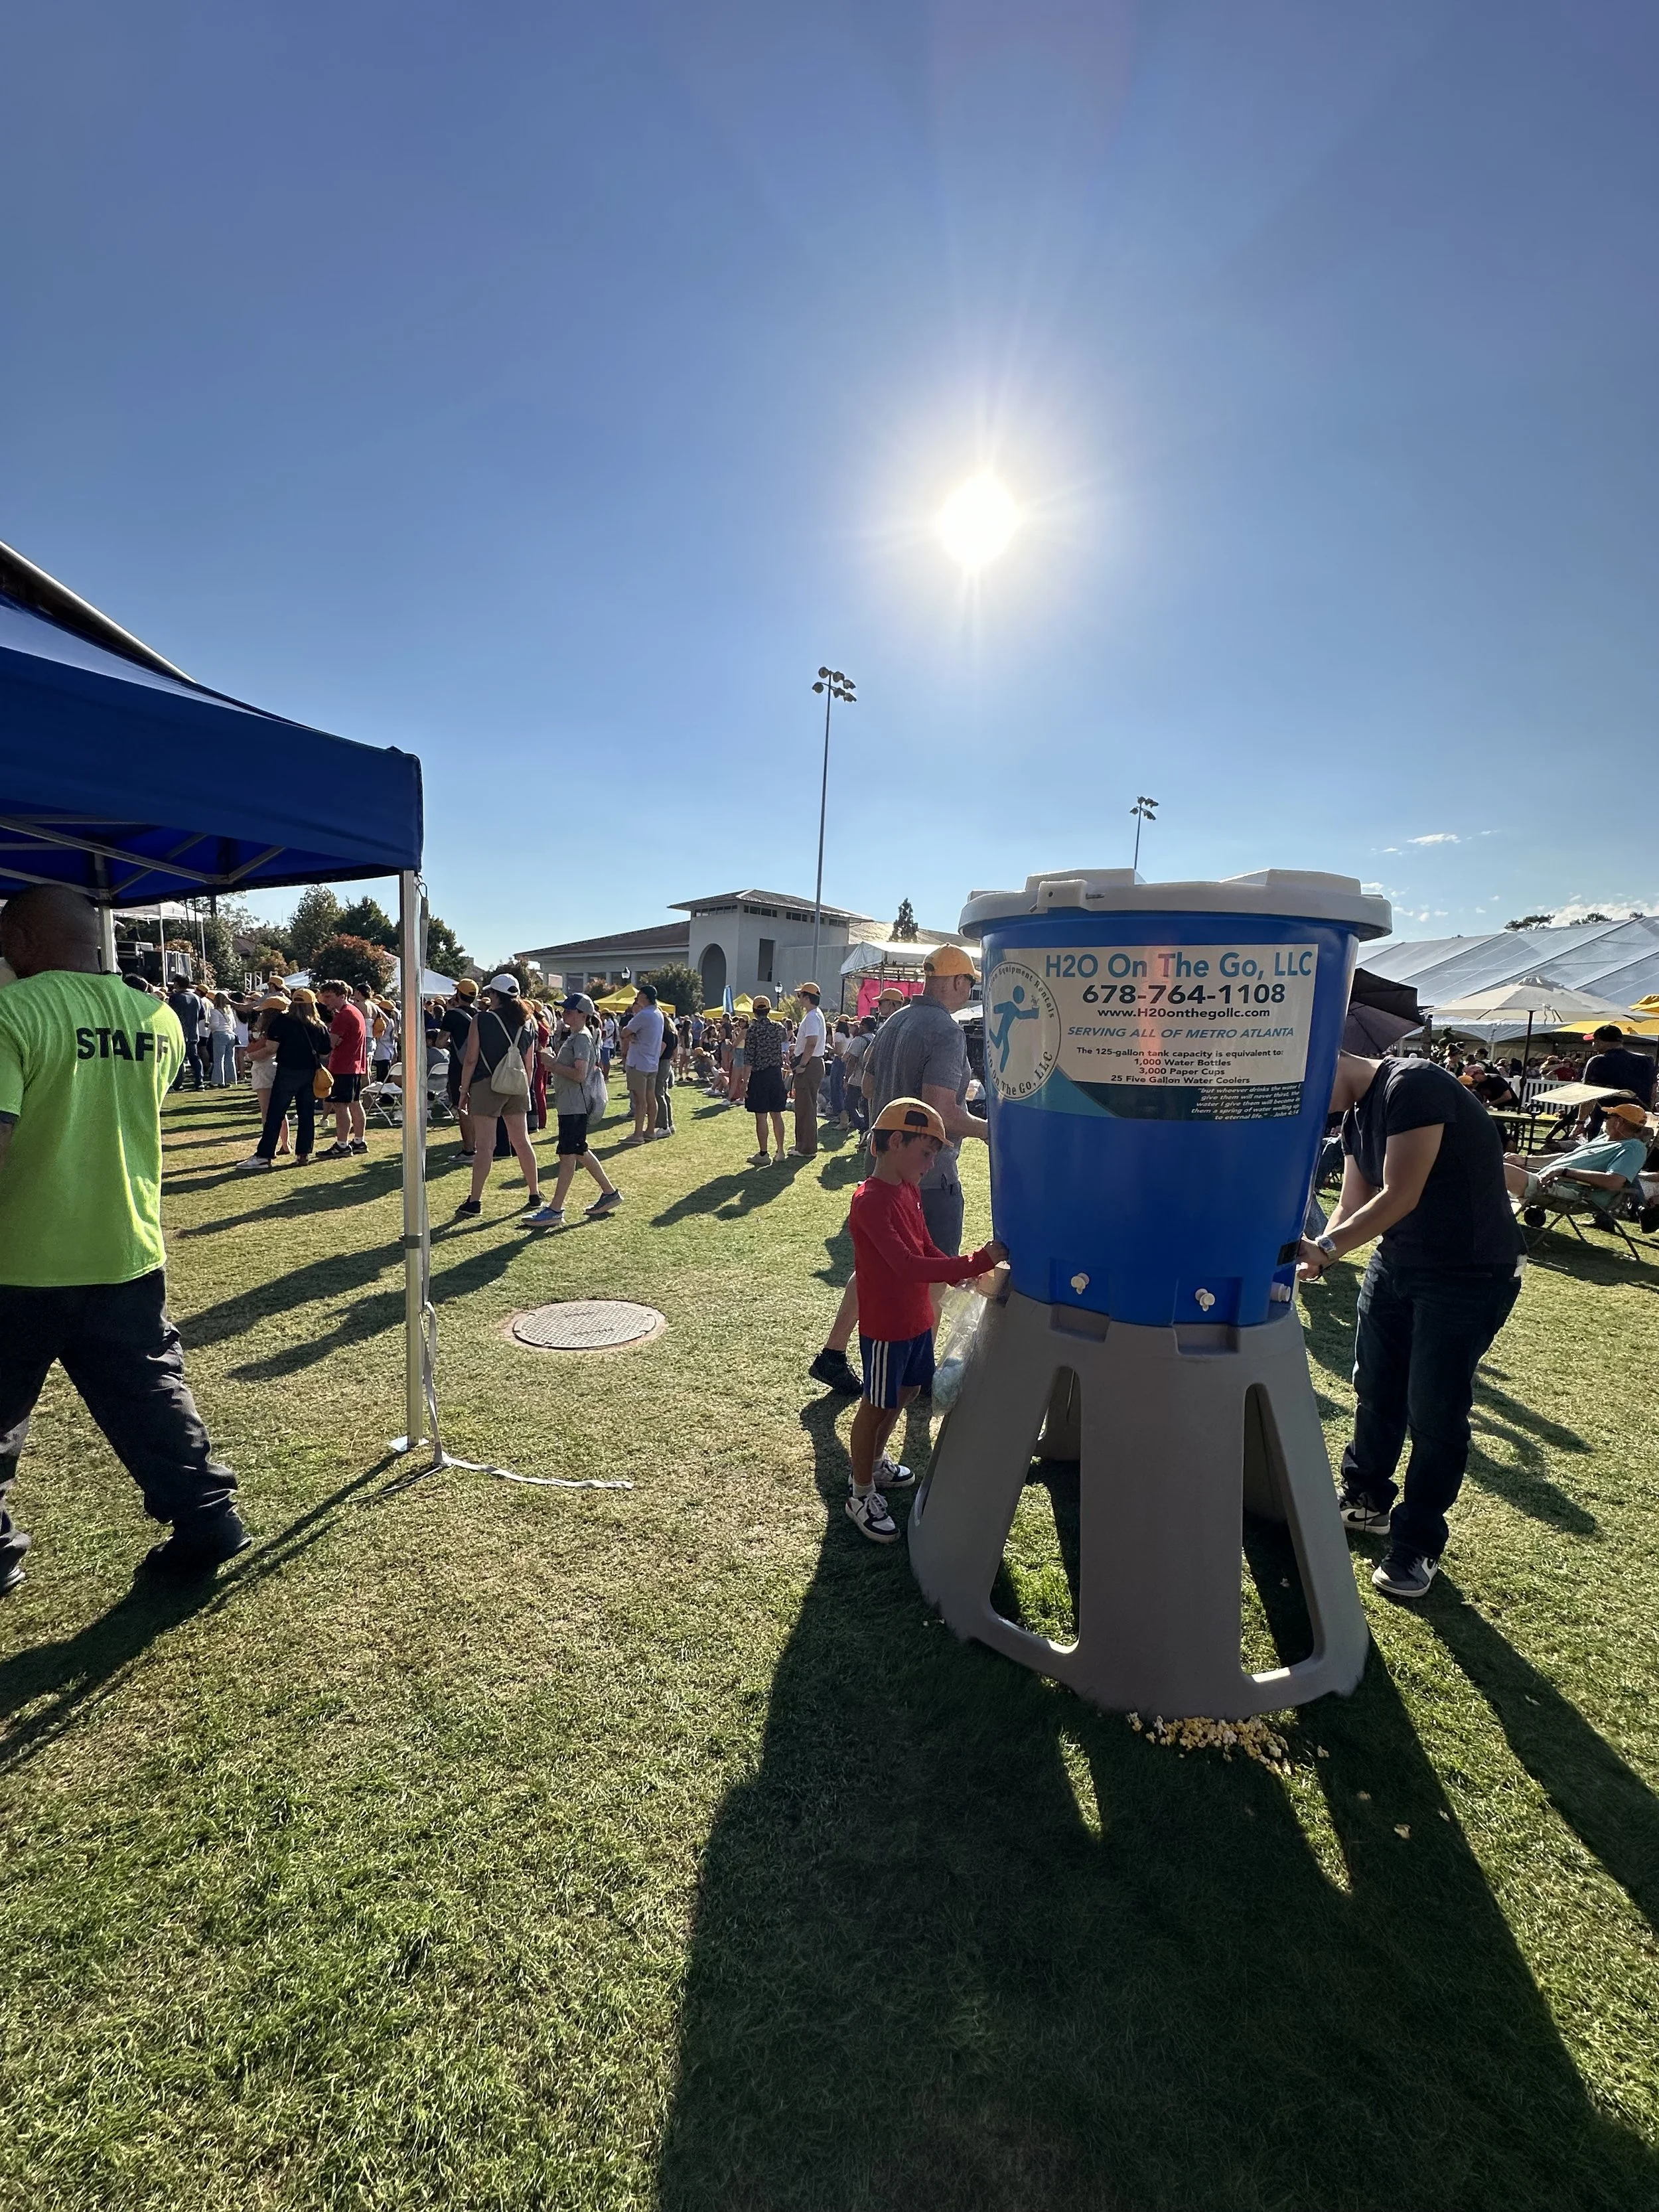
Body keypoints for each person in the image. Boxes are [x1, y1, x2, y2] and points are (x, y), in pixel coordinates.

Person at [0, 885, 249, 1592]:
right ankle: (208, 1517)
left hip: (22, 1255)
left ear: (20, 938)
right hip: (125, 1244)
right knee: (148, 1390)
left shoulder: (10, 1013)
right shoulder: (158, 1017)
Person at [1295, 1050, 1524, 1601]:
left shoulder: (1413, 1084)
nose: (1308, 1109)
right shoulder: (1354, 1115)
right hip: (1398, 1264)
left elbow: (1400, 1193)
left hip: (1469, 1270)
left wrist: (1325, 1248)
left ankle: (1417, 1542)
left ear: (1327, 1060)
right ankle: (1366, 1497)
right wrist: (1316, 1255)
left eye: (1305, 1092)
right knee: (1375, 1385)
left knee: (1435, 1408)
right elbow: (1352, 1201)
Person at [810, 947, 982, 1394]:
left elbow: (866, 1086)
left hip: (882, 1164)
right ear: (959, 982)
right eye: (970, 982)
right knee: (935, 1272)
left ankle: (834, 1350)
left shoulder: (893, 1021)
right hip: (928, 1174)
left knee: (871, 1267)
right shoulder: (945, 1030)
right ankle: (915, 1375)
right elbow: (942, 1111)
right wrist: (991, 1129)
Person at [843, 1098, 1005, 1542]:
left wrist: (959, 1271)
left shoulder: (908, 1189)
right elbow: (908, 1264)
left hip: (916, 1321)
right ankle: (860, 1491)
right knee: (876, 1406)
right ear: (896, 1141)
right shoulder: (870, 1201)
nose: (932, 1165)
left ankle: (874, 1464)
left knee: (909, 1390)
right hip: (886, 1328)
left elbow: (927, 1247)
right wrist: (972, 1262)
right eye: (926, 1153)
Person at [526, 995, 623, 1227]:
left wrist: (551, 1064)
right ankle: (609, 1193)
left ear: (583, 1014)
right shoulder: (578, 1037)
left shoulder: (581, 1039)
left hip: (575, 1106)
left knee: (569, 1155)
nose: (565, 1013)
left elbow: (579, 1075)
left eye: (570, 1011)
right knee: (577, 1152)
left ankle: (555, 1209)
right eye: (565, 1010)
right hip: (571, 1105)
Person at [455, 976, 543, 1217]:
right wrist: (526, 1087)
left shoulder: (481, 1020)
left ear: (495, 995)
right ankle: (535, 1193)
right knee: (522, 1141)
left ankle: (475, 1201)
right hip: (517, 1084)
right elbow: (530, 1062)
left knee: (485, 1147)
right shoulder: (529, 1022)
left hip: (486, 1084)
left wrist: (463, 1091)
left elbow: (471, 1059)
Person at [239, 987, 330, 1169]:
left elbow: (272, 1048)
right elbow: (325, 1053)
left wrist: (251, 1057)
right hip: (309, 1072)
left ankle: (264, 1155)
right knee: (306, 1115)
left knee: (275, 1114)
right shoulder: (319, 1026)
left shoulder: (282, 1021)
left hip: (287, 1071)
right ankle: (303, 1154)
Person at [1504, 1100, 1651, 1213]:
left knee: (1502, 1171)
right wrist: (1524, 1160)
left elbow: (1613, 1182)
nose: (1605, 1120)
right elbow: (1568, 1158)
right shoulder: (1604, 1138)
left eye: (1609, 1116)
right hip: (1550, 1181)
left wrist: (1564, 1171)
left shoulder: (1633, 1148)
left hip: (1575, 1194)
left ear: (1620, 1122)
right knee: (1495, 1163)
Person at [315, 981, 370, 1159]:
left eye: (329, 997)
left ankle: (342, 1145)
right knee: (355, 1103)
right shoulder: (355, 1011)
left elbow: (329, 1044)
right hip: (354, 1066)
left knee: (340, 1106)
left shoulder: (343, 1015)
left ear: (342, 995)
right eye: (324, 997)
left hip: (343, 1067)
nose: (325, 1001)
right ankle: (359, 1141)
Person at [1578, 1024, 1656, 1136]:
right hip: (1638, 1121)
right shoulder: (1646, 1060)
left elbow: (1588, 1095)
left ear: (1600, 1041)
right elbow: (1653, 1091)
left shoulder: (1598, 1061)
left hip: (1607, 1121)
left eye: (1594, 1042)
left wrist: (1580, 1122)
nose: (1593, 1046)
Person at [245, 993, 293, 1157]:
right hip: (277, 1068)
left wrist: (249, 1056)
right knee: (280, 1111)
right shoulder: (287, 1026)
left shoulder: (270, 1029)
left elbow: (264, 1050)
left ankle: (269, 1147)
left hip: (264, 1068)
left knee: (267, 1112)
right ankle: (285, 1144)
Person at [744, 995, 788, 1164]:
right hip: (776, 1074)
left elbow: (749, 1059)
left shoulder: (753, 1031)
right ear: (769, 1010)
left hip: (759, 1076)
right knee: (777, 1115)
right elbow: (785, 1047)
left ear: (754, 1011)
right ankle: (781, 1151)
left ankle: (763, 1154)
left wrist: (743, 1082)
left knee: (761, 1116)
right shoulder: (779, 1028)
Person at [620, 984, 665, 1146]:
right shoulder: (658, 1014)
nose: (637, 997)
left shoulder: (644, 1014)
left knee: (640, 1100)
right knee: (650, 1097)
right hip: (652, 1062)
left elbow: (625, 1031)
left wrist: (631, 1035)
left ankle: (638, 1134)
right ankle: (650, 1130)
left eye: (639, 994)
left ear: (644, 997)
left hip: (639, 1062)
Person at [788, 980, 828, 1157]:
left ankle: (806, 1148)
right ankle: (802, 1144)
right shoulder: (815, 1015)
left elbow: (811, 1043)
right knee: (805, 1106)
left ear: (807, 997)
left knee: (806, 1107)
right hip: (812, 1063)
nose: (799, 999)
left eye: (800, 996)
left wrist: (802, 1064)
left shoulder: (812, 1016)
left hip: (810, 1064)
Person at [441, 979, 480, 1158]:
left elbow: (441, 1042)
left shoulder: (452, 1016)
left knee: (462, 1107)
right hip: (478, 1066)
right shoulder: (480, 1014)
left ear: (458, 994)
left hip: (459, 1066)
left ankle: (469, 1149)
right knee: (475, 1108)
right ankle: (477, 1146)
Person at [166, 976, 206, 1090]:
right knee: (195, 1058)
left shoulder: (175, 997)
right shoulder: (197, 998)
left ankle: (178, 1084)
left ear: (177, 984)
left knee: (179, 1060)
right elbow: (201, 1016)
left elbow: (171, 1014)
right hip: (193, 1032)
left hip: (179, 1032)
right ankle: (200, 1083)